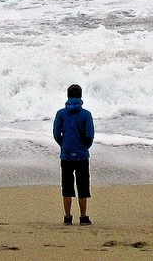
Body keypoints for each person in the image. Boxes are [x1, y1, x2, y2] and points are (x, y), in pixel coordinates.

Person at [53, 84, 95, 225]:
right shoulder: (86, 114)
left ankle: (67, 216)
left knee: (67, 186)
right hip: (82, 155)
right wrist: (84, 146)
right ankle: (83, 216)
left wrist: (64, 144)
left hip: (66, 155)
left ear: (68, 96)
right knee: (83, 186)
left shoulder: (61, 114)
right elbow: (90, 135)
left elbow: (56, 134)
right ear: (80, 96)